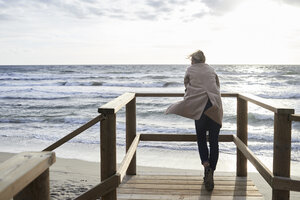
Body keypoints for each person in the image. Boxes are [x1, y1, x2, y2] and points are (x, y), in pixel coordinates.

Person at [165, 50, 223, 191]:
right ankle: (211, 171)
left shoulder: (190, 70)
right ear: (203, 59)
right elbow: (217, 86)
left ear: (193, 61)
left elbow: (186, 86)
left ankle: (206, 165)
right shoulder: (211, 69)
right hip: (215, 106)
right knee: (214, 140)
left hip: (201, 107)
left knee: (201, 138)